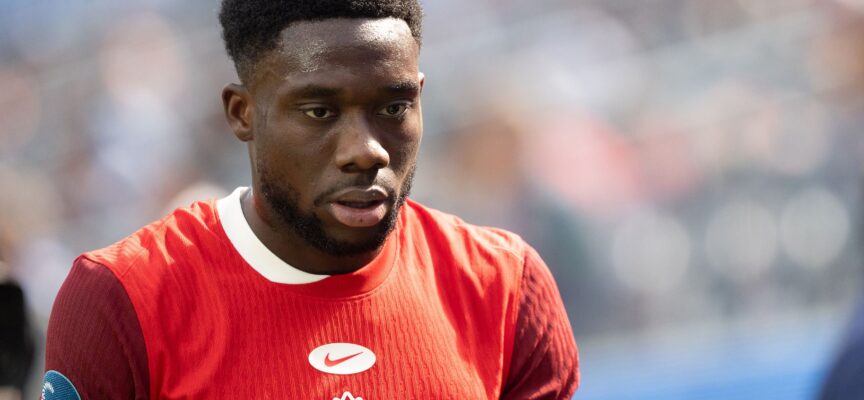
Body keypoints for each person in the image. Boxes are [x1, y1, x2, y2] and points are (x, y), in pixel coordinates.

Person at [43, 1, 579, 399]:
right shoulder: (120, 299)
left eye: (393, 108)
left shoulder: (507, 288)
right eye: (319, 111)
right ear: (242, 114)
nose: (365, 151)